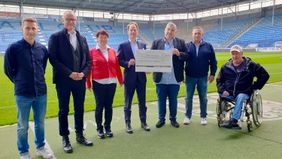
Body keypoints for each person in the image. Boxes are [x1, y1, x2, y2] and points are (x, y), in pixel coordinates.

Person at [4, 17, 53, 159]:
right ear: (22, 29)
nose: (31, 31)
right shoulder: (13, 48)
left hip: (41, 93)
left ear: (37, 30)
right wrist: (20, 82)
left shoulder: (42, 49)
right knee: (22, 126)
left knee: (40, 123)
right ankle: (24, 152)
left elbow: (42, 68)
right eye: (27, 28)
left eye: (33, 28)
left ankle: (40, 148)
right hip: (22, 94)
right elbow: (8, 70)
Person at [48, 11, 92, 153]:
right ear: (63, 20)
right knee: (64, 110)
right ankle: (65, 138)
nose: (71, 22)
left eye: (73, 19)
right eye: (68, 19)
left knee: (79, 108)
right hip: (64, 81)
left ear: (76, 20)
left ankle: (79, 135)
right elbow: (53, 59)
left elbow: (88, 61)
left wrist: (83, 73)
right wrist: (69, 73)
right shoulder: (55, 37)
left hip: (80, 80)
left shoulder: (83, 38)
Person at [216, 45, 269, 128]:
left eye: (237, 53)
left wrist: (255, 86)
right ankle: (223, 117)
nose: (235, 56)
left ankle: (234, 121)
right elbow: (219, 80)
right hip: (228, 92)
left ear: (242, 54)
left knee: (240, 97)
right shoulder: (225, 66)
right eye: (233, 54)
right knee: (221, 96)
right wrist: (222, 90)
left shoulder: (250, 65)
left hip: (244, 91)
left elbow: (265, 75)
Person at [86, 30, 123, 139]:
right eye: (101, 37)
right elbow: (88, 69)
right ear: (97, 38)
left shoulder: (112, 51)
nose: (103, 39)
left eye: (105, 37)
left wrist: (120, 80)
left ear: (107, 38)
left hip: (111, 83)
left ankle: (107, 127)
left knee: (109, 106)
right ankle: (99, 128)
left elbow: (116, 66)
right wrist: (88, 83)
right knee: (99, 106)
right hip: (98, 83)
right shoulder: (92, 52)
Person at [151, 22, 188, 128]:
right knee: (161, 100)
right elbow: (151, 58)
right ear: (165, 30)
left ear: (175, 32)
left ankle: (173, 119)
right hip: (160, 78)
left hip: (174, 78)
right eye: (168, 29)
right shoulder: (157, 42)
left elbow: (187, 55)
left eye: (172, 30)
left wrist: (179, 54)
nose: (169, 32)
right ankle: (161, 119)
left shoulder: (180, 42)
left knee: (173, 100)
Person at [117, 22, 150, 134]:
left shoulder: (143, 45)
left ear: (137, 31)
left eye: (134, 30)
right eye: (131, 30)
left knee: (142, 101)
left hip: (141, 77)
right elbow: (119, 60)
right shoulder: (123, 45)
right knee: (128, 102)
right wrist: (128, 63)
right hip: (129, 77)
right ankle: (128, 124)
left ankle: (144, 122)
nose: (133, 31)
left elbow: (146, 60)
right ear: (128, 32)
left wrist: (147, 67)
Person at [184, 26, 217, 125]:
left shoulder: (208, 46)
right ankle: (187, 116)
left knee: (203, 98)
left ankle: (203, 117)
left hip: (203, 77)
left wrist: (212, 74)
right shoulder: (187, 46)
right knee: (188, 98)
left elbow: (213, 61)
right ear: (192, 34)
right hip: (190, 76)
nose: (197, 35)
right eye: (195, 33)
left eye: (199, 33)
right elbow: (181, 61)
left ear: (202, 34)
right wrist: (181, 74)